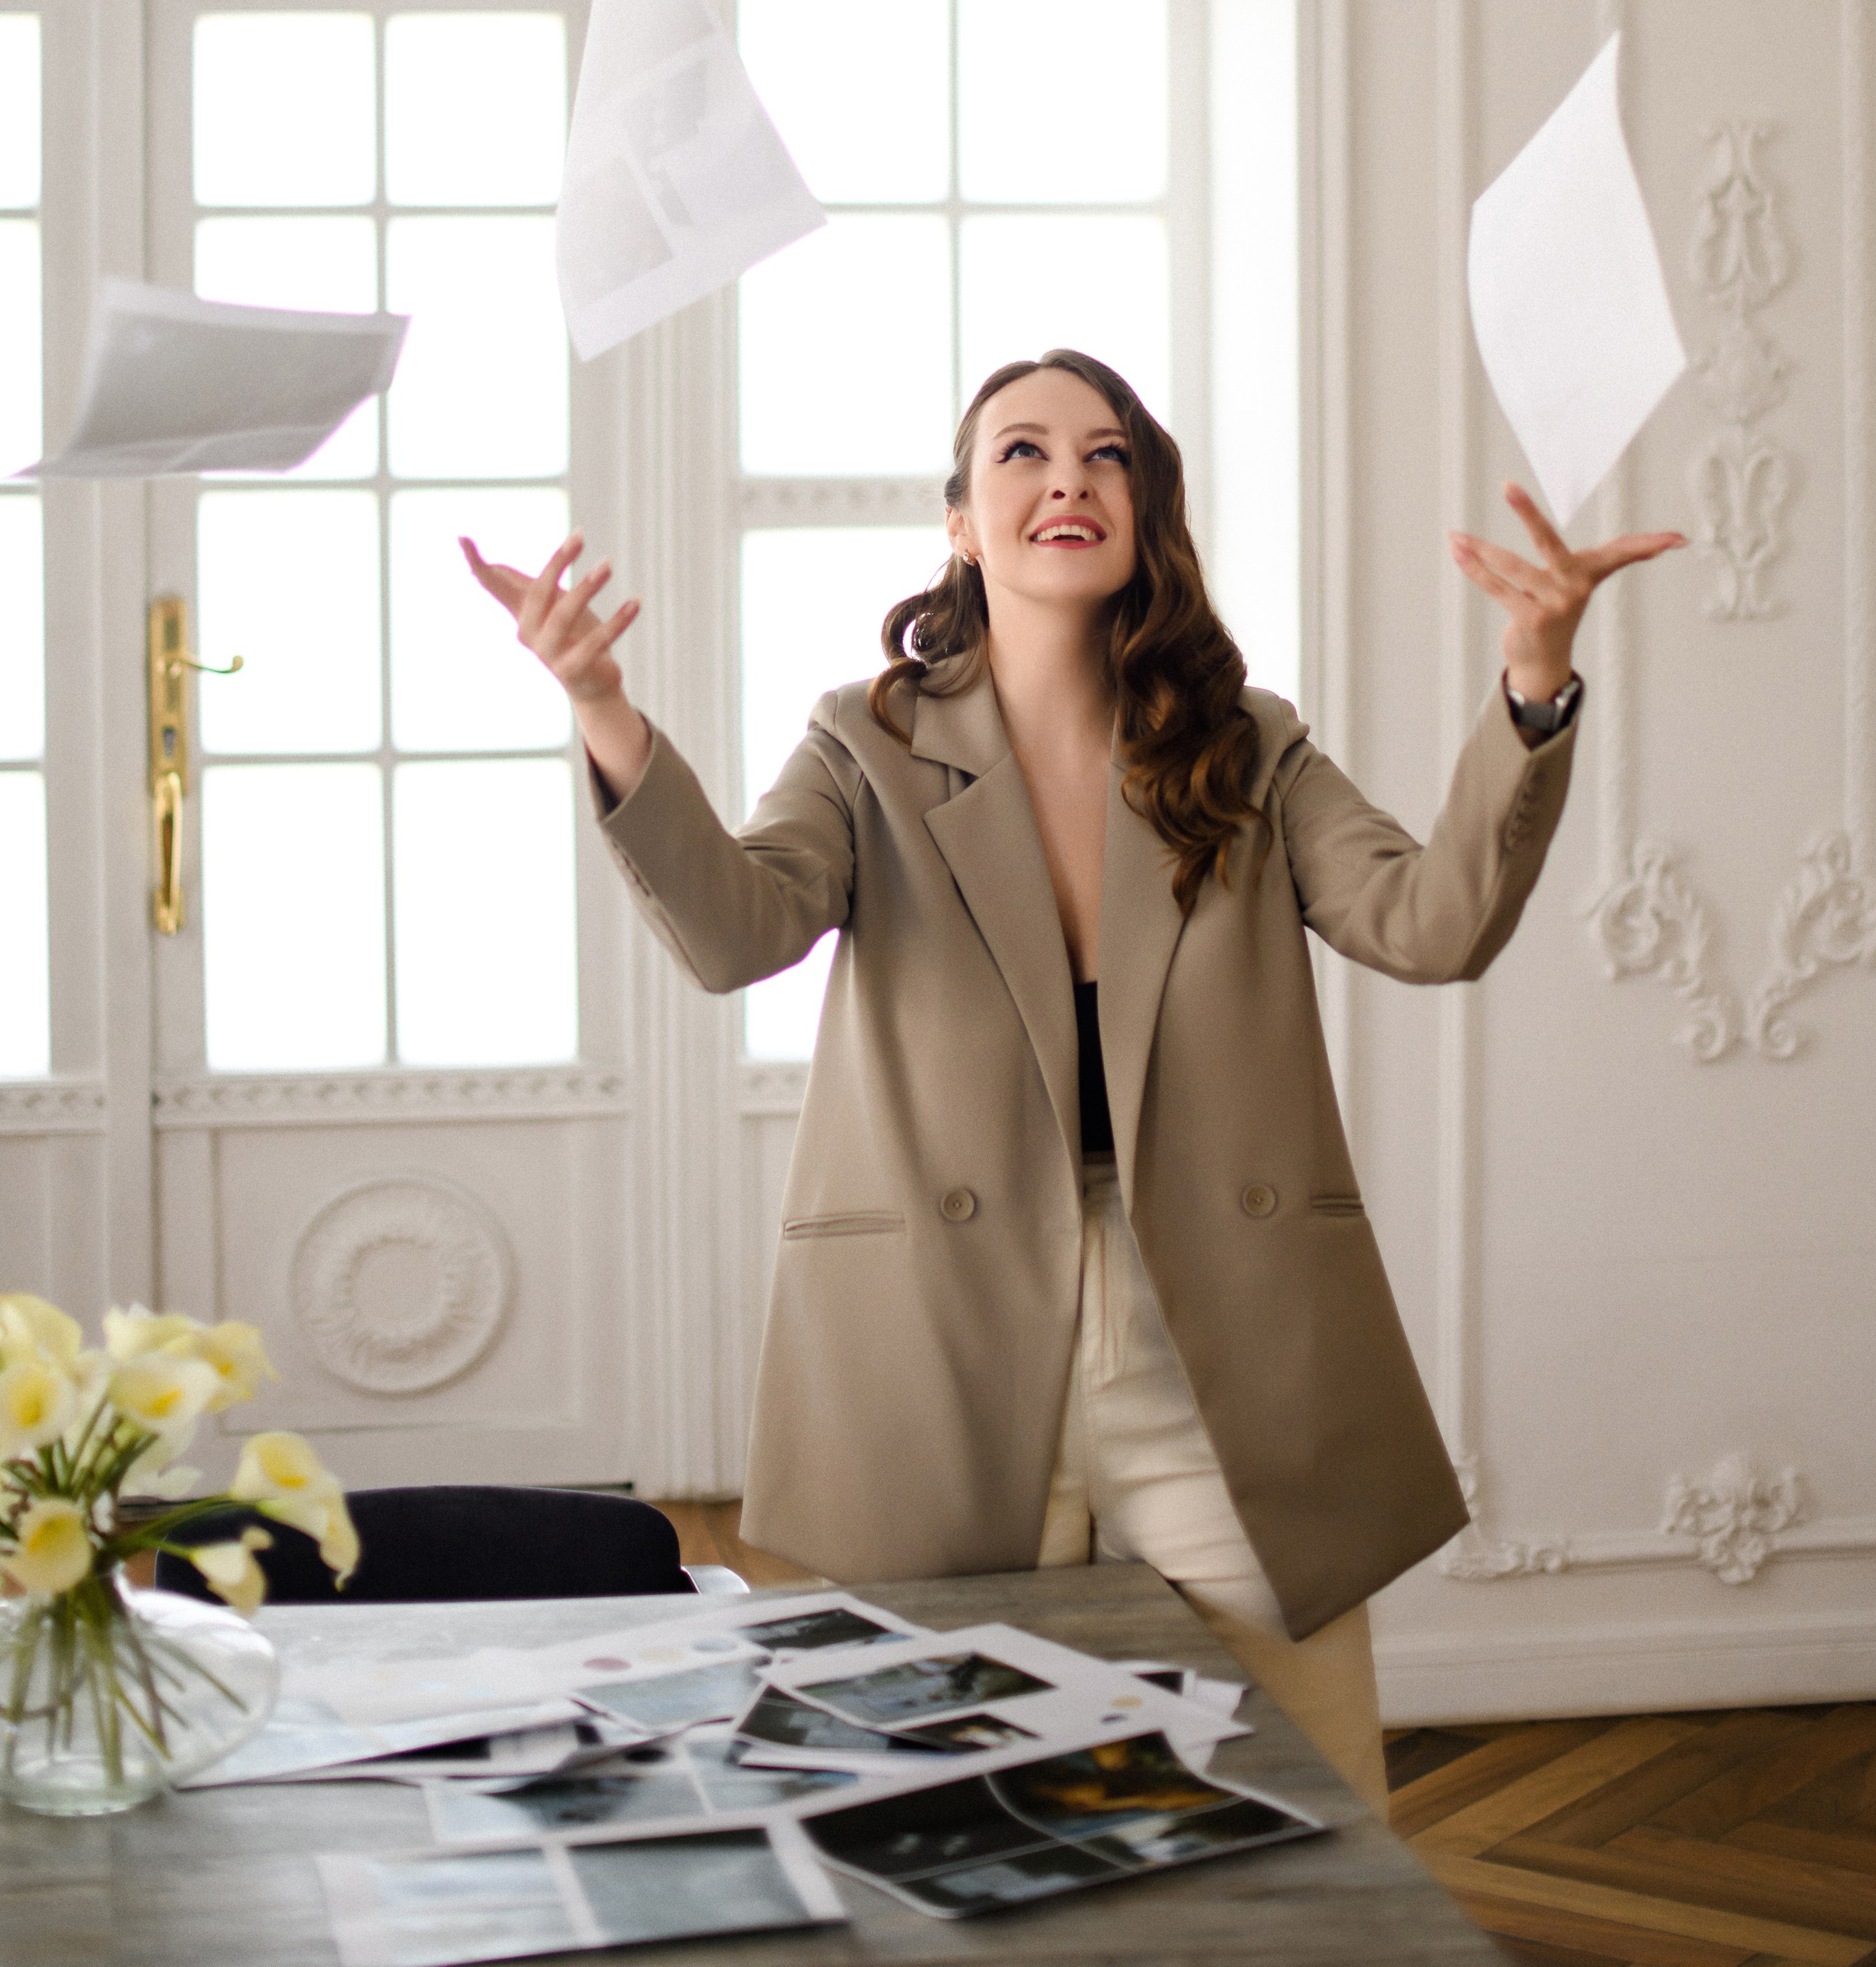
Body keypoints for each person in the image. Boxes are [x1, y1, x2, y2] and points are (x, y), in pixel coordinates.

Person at [462, 348, 1683, 1815]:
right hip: (945, 1327)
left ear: (1142, 506)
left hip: (1211, 1324)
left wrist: (1531, 683)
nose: (1067, 479)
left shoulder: (1244, 747)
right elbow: (736, 933)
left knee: (1284, 1779)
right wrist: (603, 710)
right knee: (938, 1765)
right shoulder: (867, 742)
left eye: (1105, 455)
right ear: (963, 524)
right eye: (1023, 453)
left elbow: (1430, 925)